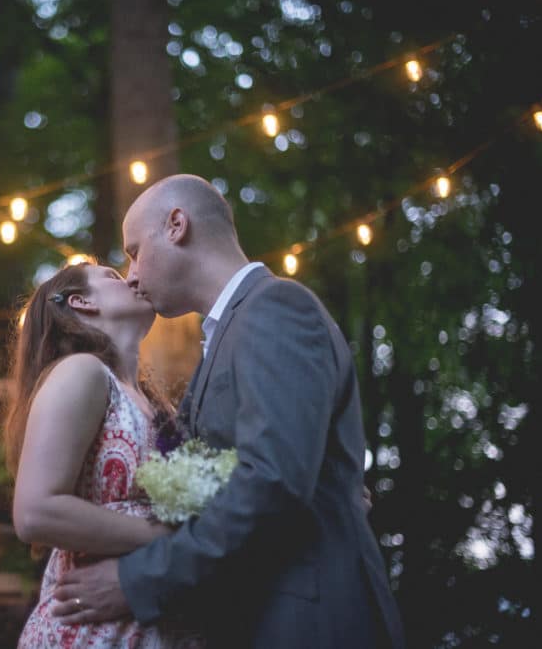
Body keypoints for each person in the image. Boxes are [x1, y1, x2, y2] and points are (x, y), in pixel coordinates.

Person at [50, 174, 405, 648]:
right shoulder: (227, 336)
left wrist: (138, 580)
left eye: (135, 250)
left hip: (308, 621)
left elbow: (272, 483)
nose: (131, 274)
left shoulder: (276, 307)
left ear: (177, 224)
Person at [6, 261, 204, 648]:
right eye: (113, 277)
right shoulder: (82, 372)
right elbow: (35, 512)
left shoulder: (152, 401)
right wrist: (170, 538)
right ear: (81, 303)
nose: (132, 277)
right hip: (89, 633)